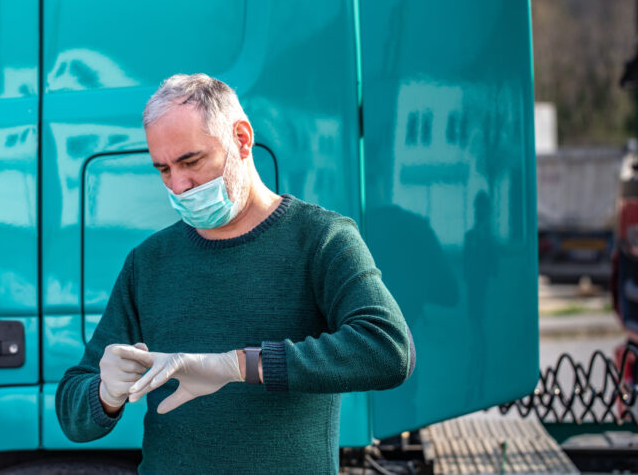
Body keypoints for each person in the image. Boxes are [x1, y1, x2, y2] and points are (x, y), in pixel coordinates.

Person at [56, 73, 415, 474]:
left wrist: (238, 366)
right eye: (163, 169)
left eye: (191, 161)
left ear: (242, 139)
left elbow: (388, 349)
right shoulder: (149, 261)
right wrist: (104, 393)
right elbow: (73, 413)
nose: (179, 184)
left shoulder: (320, 239)